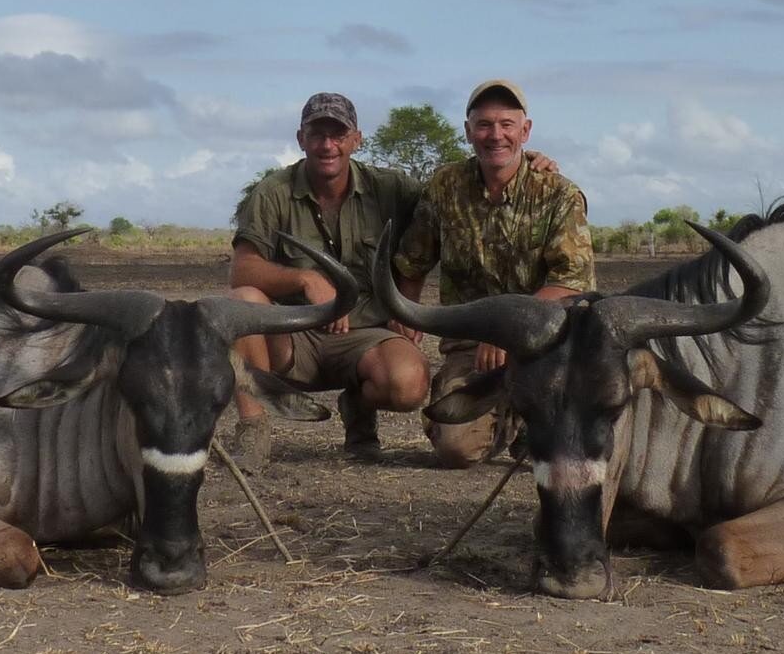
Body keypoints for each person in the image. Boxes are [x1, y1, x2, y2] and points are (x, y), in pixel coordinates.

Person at [392, 79, 595, 468]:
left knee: (569, 450)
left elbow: (571, 282)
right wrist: (405, 320)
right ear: (468, 131)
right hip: (472, 349)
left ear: (525, 130)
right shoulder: (445, 186)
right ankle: (506, 420)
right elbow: (411, 262)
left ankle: (528, 420)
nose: (495, 135)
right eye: (484, 125)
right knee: (455, 449)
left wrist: (508, 329)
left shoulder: (559, 194)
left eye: (506, 124)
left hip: (546, 346)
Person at [228, 92, 430, 466]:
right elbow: (242, 270)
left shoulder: (391, 188)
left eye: (338, 135)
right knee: (243, 301)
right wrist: (305, 279)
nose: (327, 145)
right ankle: (253, 428)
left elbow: (453, 198)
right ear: (300, 139)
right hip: (294, 335)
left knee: (408, 384)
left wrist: (526, 164)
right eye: (317, 134)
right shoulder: (273, 192)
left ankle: (358, 402)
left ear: (356, 139)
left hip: (367, 334)